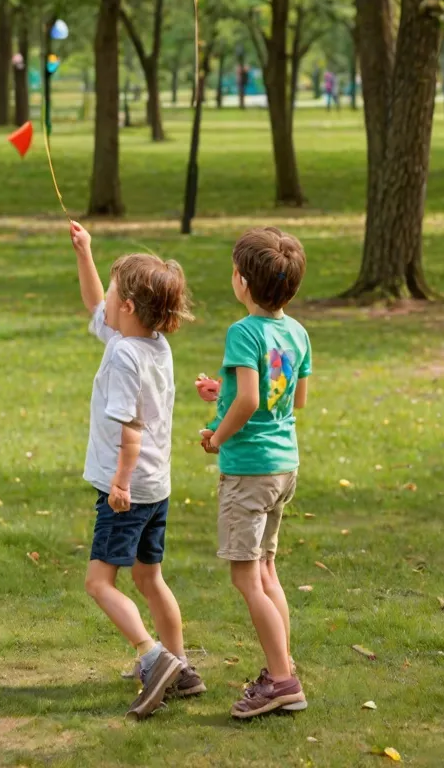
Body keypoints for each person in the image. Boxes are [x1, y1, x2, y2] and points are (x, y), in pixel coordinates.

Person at [69, 219, 204, 720]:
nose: (103, 298)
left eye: (112, 291)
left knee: (99, 583)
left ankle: (152, 656)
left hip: (126, 487)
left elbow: (129, 428)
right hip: (157, 486)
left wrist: (118, 483)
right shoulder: (152, 344)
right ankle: (182, 665)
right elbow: (93, 305)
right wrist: (85, 252)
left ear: (125, 307)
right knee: (150, 578)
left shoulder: (123, 354)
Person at [196, 227, 312, 719]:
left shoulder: (243, 332)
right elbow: (292, 398)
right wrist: (217, 392)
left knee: (246, 577)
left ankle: (282, 682)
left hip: (248, 470)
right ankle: (281, 665)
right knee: (266, 570)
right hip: (284, 465)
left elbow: (248, 400)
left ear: (242, 281)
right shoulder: (297, 332)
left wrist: (217, 436)